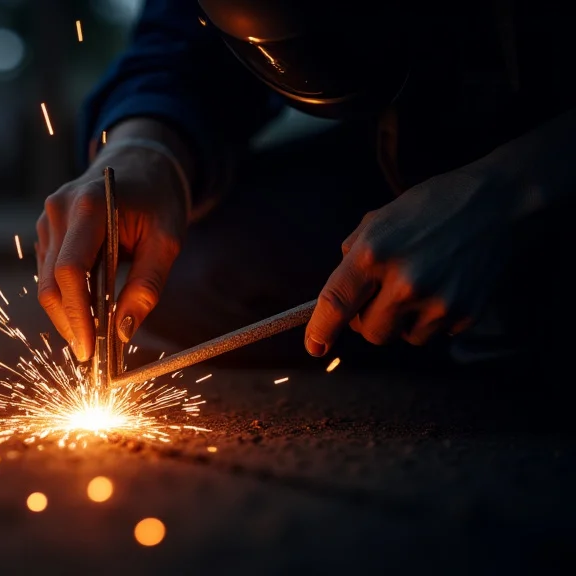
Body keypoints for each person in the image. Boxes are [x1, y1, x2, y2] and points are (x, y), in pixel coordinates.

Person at [35, 0, 575, 368]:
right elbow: (181, 40)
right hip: (404, 140)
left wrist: (516, 189)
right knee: (186, 269)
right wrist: (147, 147)